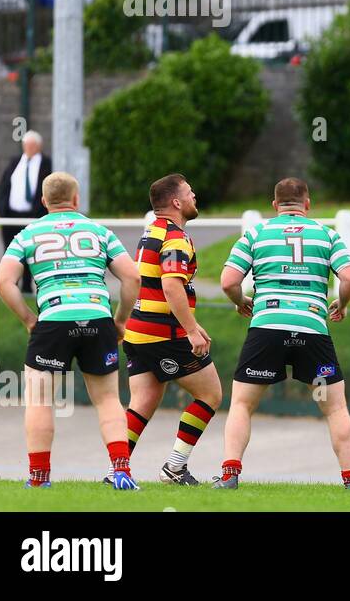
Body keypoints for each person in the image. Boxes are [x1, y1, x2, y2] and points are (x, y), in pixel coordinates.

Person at [0, 171, 141, 490]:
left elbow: (2, 281)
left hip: (53, 319)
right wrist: (120, 320)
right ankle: (121, 471)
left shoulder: (28, 233)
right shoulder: (100, 231)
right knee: (107, 400)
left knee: (40, 400)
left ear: (44, 201)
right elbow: (132, 278)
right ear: (77, 199)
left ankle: (39, 478)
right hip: (97, 315)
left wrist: (29, 320)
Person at [216, 178, 350, 489]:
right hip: (311, 328)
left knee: (242, 404)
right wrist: (343, 304)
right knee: (335, 407)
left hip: (267, 326)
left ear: (274, 205)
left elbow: (229, 281)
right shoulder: (326, 234)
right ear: (307, 204)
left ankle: (230, 475)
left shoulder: (256, 233)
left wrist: (241, 301)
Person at [117, 173, 223, 485]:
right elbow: (171, 285)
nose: (195, 197)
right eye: (190, 193)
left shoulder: (152, 231)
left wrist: (193, 322)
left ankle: (116, 470)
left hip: (138, 331)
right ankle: (174, 468)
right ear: (176, 202)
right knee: (210, 394)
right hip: (162, 334)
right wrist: (190, 330)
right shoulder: (175, 237)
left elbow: (152, 285)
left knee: (143, 402)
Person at [0, 130, 52, 294]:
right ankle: (12, 285)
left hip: (33, 216)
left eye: (32, 144)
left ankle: (28, 286)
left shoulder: (46, 163)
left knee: (31, 251)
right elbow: (5, 185)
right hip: (11, 215)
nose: (28, 147)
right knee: (11, 251)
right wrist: (1, 209)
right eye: (26, 144)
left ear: (38, 146)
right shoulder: (15, 162)